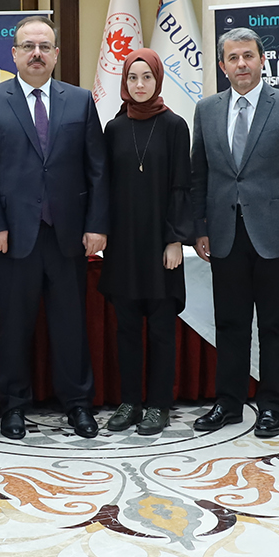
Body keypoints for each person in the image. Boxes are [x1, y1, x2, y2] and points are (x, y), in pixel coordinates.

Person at [0, 15, 108, 440]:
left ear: (56, 54)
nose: (36, 54)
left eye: (44, 47)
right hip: (12, 237)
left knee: (70, 324)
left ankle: (78, 404)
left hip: (68, 235)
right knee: (14, 326)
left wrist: (96, 225)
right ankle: (13, 406)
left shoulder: (80, 101)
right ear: (13, 54)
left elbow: (97, 169)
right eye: (28, 46)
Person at [190, 33, 279, 438]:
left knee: (274, 327)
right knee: (230, 324)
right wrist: (200, 228)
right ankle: (228, 404)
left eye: (248, 56)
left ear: (263, 60)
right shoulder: (206, 109)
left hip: (275, 238)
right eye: (233, 58)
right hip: (224, 235)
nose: (241, 63)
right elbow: (199, 175)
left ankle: (271, 407)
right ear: (222, 66)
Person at [102, 51, 192, 437]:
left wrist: (175, 239)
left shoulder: (174, 126)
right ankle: (129, 402)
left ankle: (158, 404)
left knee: (160, 330)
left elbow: (182, 186)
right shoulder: (114, 128)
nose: (140, 85)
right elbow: (105, 187)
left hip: (160, 245)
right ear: (124, 82)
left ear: (158, 80)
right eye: (133, 78)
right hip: (123, 246)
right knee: (126, 330)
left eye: (147, 77)